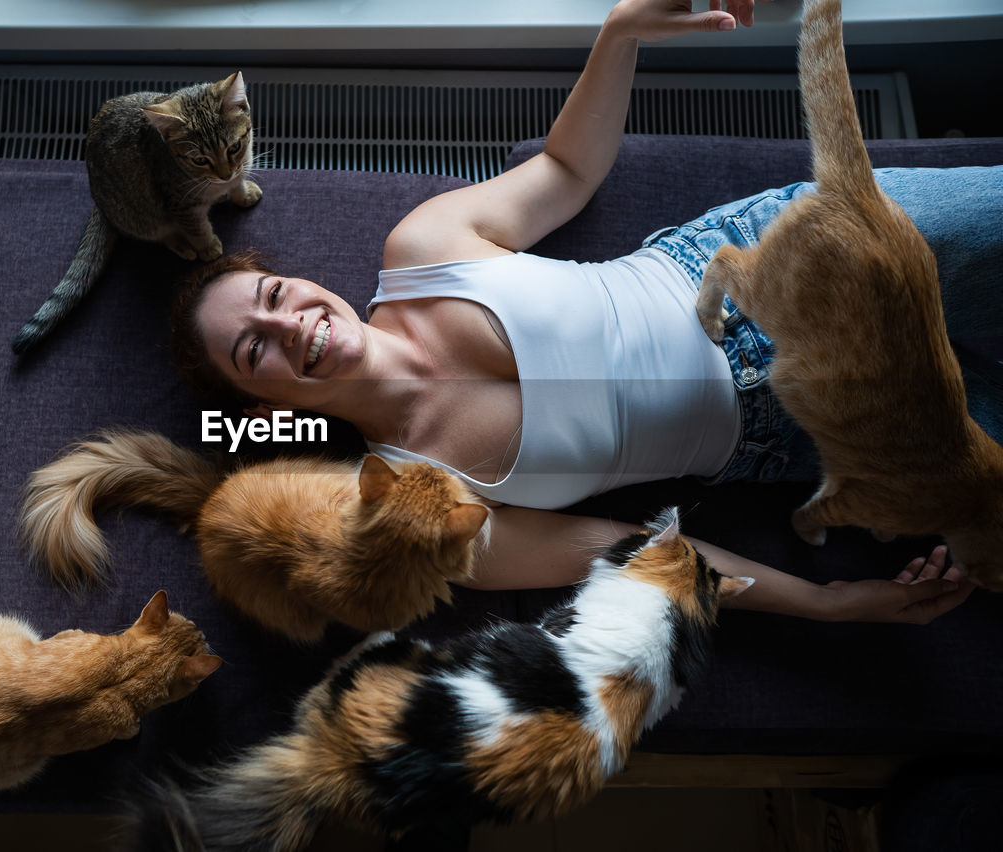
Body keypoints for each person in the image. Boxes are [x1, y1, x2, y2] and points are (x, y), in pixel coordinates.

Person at [170, 0, 1002, 624]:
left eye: (273, 295)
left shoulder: (420, 249)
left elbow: (567, 170)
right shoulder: (426, 508)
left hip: (780, 260)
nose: (290, 323)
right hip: (815, 434)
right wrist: (824, 603)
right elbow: (639, 552)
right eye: (255, 348)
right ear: (264, 407)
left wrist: (620, 31)